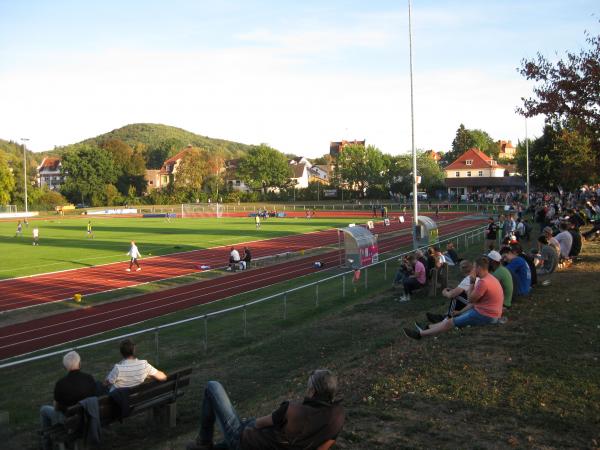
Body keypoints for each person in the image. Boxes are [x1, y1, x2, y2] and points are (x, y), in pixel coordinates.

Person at [186, 369, 345, 450]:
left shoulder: (291, 410)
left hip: (244, 443)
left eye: (308, 387)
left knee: (212, 387)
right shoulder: (337, 417)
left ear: (312, 392)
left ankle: (204, 442)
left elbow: (258, 424)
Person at [404, 256, 503, 340]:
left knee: (450, 322)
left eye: (475, 267)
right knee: (451, 319)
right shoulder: (490, 278)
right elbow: (474, 303)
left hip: (487, 315)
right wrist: (460, 312)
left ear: (479, 268)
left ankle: (419, 335)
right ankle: (427, 328)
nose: (474, 269)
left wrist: (472, 282)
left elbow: (470, 300)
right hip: (491, 313)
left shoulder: (483, 282)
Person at [40, 351, 97, 450]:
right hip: (88, 416)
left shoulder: (60, 384)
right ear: (79, 363)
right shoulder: (89, 378)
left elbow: (56, 408)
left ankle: (47, 445)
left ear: (65, 367)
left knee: (44, 410)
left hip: (70, 421)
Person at [425, 259, 475, 324]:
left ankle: (446, 318)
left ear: (462, 269)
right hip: (476, 301)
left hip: (474, 304)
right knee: (459, 294)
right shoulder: (475, 275)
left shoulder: (468, 279)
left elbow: (451, 295)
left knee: (456, 295)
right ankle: (445, 316)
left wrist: (445, 292)